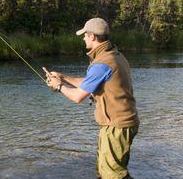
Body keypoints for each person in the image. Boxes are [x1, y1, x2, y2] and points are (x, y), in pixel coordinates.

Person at [45, 17, 139, 179]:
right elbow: (90, 82)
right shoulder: (114, 55)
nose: (83, 38)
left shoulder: (102, 63)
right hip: (119, 124)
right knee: (104, 172)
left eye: (84, 35)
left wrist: (59, 86)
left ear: (92, 37)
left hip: (116, 126)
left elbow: (78, 96)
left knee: (113, 175)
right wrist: (63, 77)